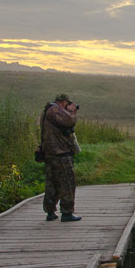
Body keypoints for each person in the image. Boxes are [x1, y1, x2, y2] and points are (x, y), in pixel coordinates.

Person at [39, 93, 82, 222]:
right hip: (60, 153)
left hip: (50, 152)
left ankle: (50, 211)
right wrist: (72, 112)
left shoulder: (47, 110)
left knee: (52, 183)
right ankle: (67, 212)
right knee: (67, 182)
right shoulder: (55, 110)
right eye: (67, 104)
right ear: (63, 102)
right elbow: (69, 121)